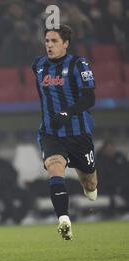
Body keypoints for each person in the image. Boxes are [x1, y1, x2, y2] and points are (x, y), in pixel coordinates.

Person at [32, 25, 98, 240]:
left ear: (66, 44)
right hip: (51, 133)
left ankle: (86, 181)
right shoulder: (39, 65)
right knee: (55, 167)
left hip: (78, 134)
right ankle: (64, 220)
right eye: (47, 41)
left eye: (54, 41)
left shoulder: (79, 65)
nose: (49, 45)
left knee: (90, 183)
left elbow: (90, 98)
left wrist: (67, 113)